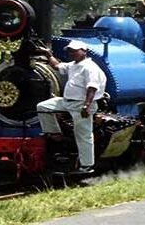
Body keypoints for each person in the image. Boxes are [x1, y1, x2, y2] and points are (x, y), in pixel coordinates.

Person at [37, 40, 107, 175]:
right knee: (43, 107)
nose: (72, 53)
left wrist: (86, 105)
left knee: (83, 134)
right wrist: (47, 54)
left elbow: (92, 87)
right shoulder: (74, 65)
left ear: (84, 51)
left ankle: (87, 166)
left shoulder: (89, 67)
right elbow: (57, 67)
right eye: (70, 51)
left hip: (81, 104)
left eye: (75, 50)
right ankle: (55, 133)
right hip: (66, 101)